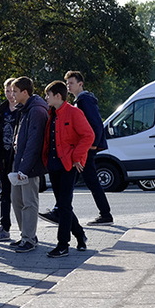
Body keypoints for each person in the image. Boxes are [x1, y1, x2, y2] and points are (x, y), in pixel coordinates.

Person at [42, 81, 93, 258]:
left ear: (58, 96)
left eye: (48, 94)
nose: (46, 97)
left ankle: (63, 244)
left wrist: (76, 157)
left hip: (68, 165)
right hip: (54, 164)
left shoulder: (74, 112)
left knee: (63, 206)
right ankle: (80, 235)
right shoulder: (52, 114)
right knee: (63, 205)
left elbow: (88, 135)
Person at [66, 71, 112, 226]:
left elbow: (96, 124)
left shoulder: (84, 100)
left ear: (80, 84)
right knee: (89, 180)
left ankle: (105, 214)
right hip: (85, 147)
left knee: (87, 180)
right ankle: (105, 213)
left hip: (87, 148)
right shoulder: (80, 100)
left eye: (71, 82)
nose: (68, 86)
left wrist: (93, 145)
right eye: (67, 83)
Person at [10, 76, 49, 253]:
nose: (12, 94)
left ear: (25, 92)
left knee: (29, 202)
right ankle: (25, 235)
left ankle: (29, 238)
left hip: (30, 166)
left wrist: (24, 168)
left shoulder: (36, 111)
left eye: (15, 91)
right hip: (20, 164)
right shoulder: (24, 109)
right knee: (17, 200)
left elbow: (34, 142)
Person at [0, 78, 20, 243]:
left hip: (18, 158)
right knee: (4, 193)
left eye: (12, 91)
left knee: (20, 196)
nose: (10, 95)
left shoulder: (23, 109)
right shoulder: (1, 110)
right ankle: (4, 227)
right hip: (2, 157)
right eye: (7, 91)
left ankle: (27, 231)